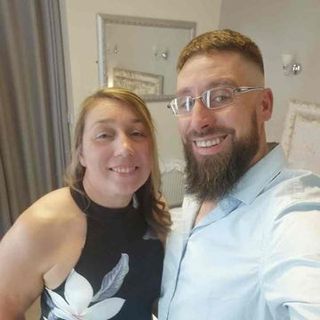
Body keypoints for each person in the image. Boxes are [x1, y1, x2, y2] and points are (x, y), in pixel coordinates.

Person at [159, 29, 320, 320]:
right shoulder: (206, 184)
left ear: (265, 105)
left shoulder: (292, 215)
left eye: (220, 96)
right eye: (185, 102)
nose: (198, 121)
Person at [0, 87, 171, 319]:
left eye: (137, 133)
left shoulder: (154, 209)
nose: (125, 147)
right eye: (104, 135)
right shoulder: (44, 222)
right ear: (81, 153)